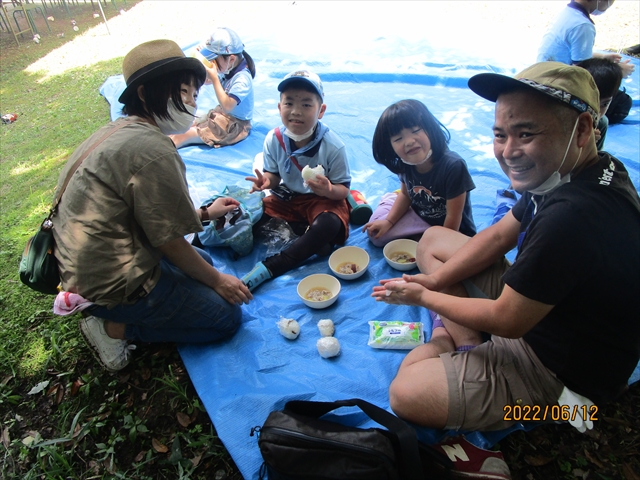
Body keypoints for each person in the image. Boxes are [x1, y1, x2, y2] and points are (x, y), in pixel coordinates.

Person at [373, 62, 640, 433]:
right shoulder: (572, 170)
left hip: (557, 367)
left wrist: (423, 298)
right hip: (548, 308)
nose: (508, 152)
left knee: (406, 392)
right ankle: (469, 347)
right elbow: (499, 236)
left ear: (581, 129)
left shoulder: (572, 216)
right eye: (500, 135)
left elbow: (507, 321)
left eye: (526, 134)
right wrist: (436, 282)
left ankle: (560, 408)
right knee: (433, 240)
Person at [52, 39, 253, 372]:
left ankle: (115, 311)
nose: (190, 104)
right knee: (225, 315)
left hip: (87, 260)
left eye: (193, 95)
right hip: (111, 281)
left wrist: (204, 214)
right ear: (145, 94)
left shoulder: (119, 129)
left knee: (201, 260)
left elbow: (148, 213)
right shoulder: (154, 149)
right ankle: (112, 327)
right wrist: (218, 281)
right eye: (182, 93)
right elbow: (170, 242)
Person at [242, 70, 351, 291]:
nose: (295, 112)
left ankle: (276, 264)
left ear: (321, 111)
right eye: (289, 103)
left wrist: (329, 189)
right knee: (247, 214)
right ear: (279, 107)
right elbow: (274, 176)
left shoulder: (333, 146)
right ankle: (308, 237)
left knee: (329, 223)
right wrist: (266, 182)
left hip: (322, 200)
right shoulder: (274, 139)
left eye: (306, 105)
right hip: (288, 198)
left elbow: (343, 191)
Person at [362, 99, 476, 247]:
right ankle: (393, 202)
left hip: (451, 228)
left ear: (430, 129)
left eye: (415, 130)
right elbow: (405, 195)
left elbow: (453, 217)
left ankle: (418, 237)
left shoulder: (453, 166)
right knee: (376, 234)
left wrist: (436, 246)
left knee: (445, 254)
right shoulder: (406, 162)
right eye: (398, 138)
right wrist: (388, 222)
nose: (409, 141)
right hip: (421, 218)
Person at [170, 27, 256, 149]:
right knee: (181, 125)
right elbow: (206, 81)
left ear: (231, 59)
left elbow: (227, 106)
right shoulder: (228, 67)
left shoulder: (242, 79)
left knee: (183, 135)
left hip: (234, 125)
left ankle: (158, 155)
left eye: (213, 60)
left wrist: (215, 78)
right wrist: (200, 59)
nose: (211, 63)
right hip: (221, 115)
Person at [536, 0, 634, 78]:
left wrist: (602, 58)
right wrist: (618, 71)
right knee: (622, 99)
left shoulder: (568, 12)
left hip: (540, 74)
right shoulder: (583, 26)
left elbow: (575, 55)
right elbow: (582, 74)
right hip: (553, 83)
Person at [577, 57, 623, 150]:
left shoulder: (601, 123)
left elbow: (595, 160)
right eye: (589, 101)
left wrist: (589, 147)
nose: (596, 111)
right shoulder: (559, 116)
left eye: (604, 104)